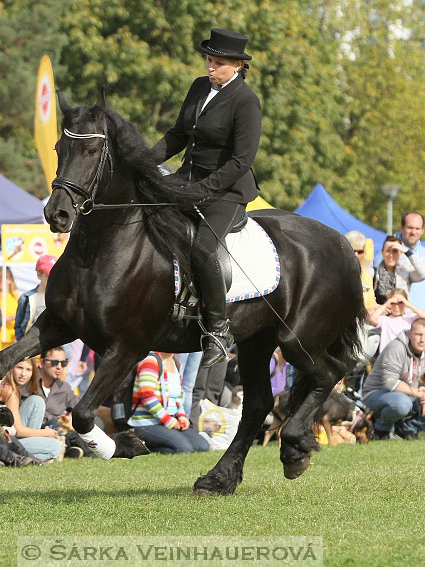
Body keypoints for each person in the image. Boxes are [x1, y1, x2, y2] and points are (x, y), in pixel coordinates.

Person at [151, 28, 262, 368]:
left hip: (227, 192)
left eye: (218, 64)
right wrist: (140, 163)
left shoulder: (246, 102)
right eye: (209, 61)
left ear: (237, 67)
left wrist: (201, 189)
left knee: (202, 248)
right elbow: (176, 136)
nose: (210, 69)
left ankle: (218, 328)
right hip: (188, 179)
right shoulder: (200, 86)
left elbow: (241, 161)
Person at [362, 318, 425, 440]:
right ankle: (381, 430)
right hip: (377, 393)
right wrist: (419, 394)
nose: (422, 339)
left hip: (409, 393)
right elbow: (389, 382)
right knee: (402, 403)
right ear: (410, 334)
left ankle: (407, 428)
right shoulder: (396, 347)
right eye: (418, 334)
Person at [128, 351, 209, 454]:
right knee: (184, 449)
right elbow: (147, 396)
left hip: (168, 422)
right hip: (146, 423)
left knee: (203, 446)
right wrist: (168, 420)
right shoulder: (150, 361)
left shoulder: (176, 363)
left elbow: (178, 397)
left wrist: (181, 416)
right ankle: (141, 447)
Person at [0, 356, 61, 463]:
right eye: (19, 368)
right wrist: (45, 433)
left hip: (11, 438)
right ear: (11, 368)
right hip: (2, 442)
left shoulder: (12, 387)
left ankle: (22, 456)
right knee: (55, 447)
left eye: (28, 369)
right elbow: (19, 431)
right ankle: (12, 459)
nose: (23, 374)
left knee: (37, 401)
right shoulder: (9, 389)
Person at [366, 288, 425, 353]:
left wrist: (408, 305)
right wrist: (385, 305)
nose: (396, 306)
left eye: (400, 303)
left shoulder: (410, 318)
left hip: (405, 355)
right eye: (393, 303)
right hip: (389, 355)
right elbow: (372, 319)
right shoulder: (385, 319)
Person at [373, 235, 425, 305]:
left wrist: (407, 251)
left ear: (401, 253)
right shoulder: (374, 272)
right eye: (388, 251)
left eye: (395, 251)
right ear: (382, 252)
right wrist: (379, 308)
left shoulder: (405, 270)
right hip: (380, 313)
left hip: (402, 314)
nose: (391, 255)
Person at [14, 254, 56, 342]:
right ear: (39, 275)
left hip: (54, 349)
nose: (53, 279)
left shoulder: (62, 298)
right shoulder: (26, 298)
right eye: (49, 276)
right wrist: (22, 346)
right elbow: (18, 325)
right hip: (32, 346)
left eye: (55, 275)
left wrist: (66, 353)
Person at [345, 230, 377, 313]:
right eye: (353, 250)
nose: (356, 255)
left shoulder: (365, 275)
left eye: (360, 251)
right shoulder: (337, 272)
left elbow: (371, 302)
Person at [0, 266, 19, 351]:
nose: (1, 280)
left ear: (10, 279)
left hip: (12, 341)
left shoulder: (17, 298)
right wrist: (5, 319)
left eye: (4, 277)